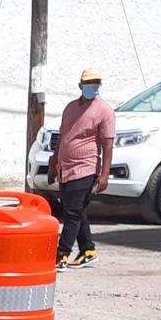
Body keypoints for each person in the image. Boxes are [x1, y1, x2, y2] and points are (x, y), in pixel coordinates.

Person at [54, 69, 114, 270]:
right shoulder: (70, 108)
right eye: (89, 83)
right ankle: (88, 250)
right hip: (65, 168)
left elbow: (107, 144)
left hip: (86, 168)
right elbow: (63, 136)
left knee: (72, 213)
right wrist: (55, 161)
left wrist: (104, 175)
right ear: (80, 85)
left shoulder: (104, 110)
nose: (92, 86)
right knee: (77, 211)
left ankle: (61, 254)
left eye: (96, 83)